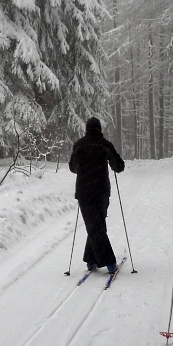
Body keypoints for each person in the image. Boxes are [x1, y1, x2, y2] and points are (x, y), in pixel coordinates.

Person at [69, 116, 125, 274]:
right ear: (100, 129)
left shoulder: (79, 145)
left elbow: (73, 168)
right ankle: (109, 261)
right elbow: (118, 167)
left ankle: (91, 259)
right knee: (97, 225)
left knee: (95, 226)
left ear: (86, 129)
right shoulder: (105, 145)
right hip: (101, 192)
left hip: (84, 192)